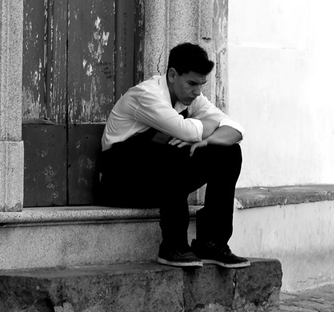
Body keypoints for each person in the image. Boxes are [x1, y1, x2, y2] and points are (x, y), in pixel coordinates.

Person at [99, 42, 249, 269]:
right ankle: (174, 245)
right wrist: (204, 128)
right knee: (176, 148)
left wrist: (207, 139)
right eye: (191, 83)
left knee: (228, 152)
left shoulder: (191, 98)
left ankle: (212, 242)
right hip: (120, 182)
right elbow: (187, 131)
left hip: (157, 181)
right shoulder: (146, 95)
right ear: (172, 74)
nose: (197, 91)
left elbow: (235, 130)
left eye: (201, 84)